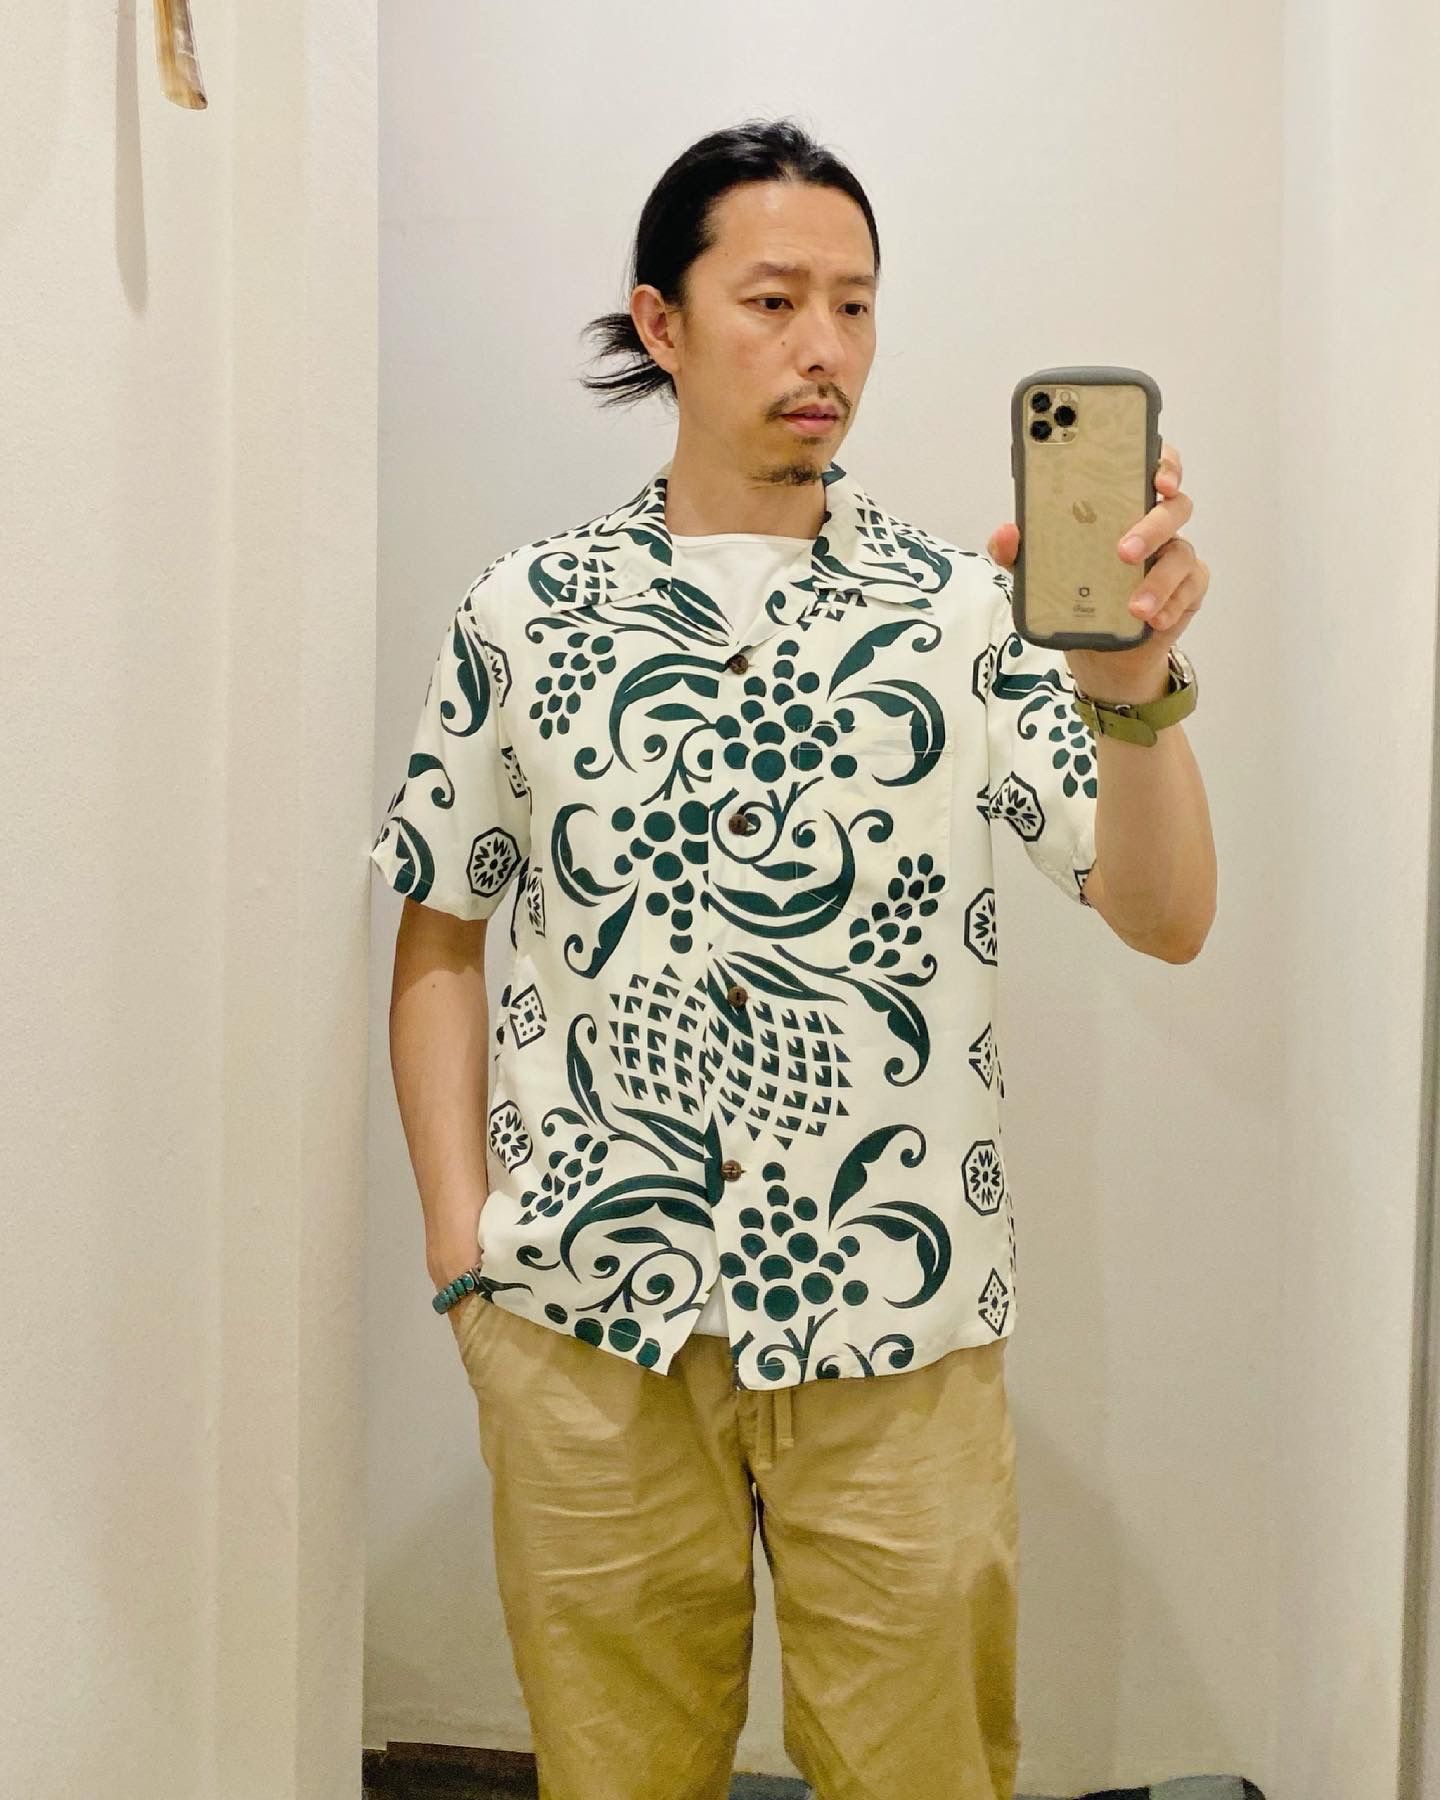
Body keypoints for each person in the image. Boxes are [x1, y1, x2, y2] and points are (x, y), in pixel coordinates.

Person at [371, 116, 1216, 1800]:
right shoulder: (524, 613)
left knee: (923, 1777)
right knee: (616, 1776)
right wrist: (463, 1254)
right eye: (771, 301)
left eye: (856, 303)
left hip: (897, 1328)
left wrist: (1133, 693)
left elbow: (1166, 913)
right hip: (587, 1325)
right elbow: (441, 924)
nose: (823, 346)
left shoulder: (964, 615)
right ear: (663, 322)